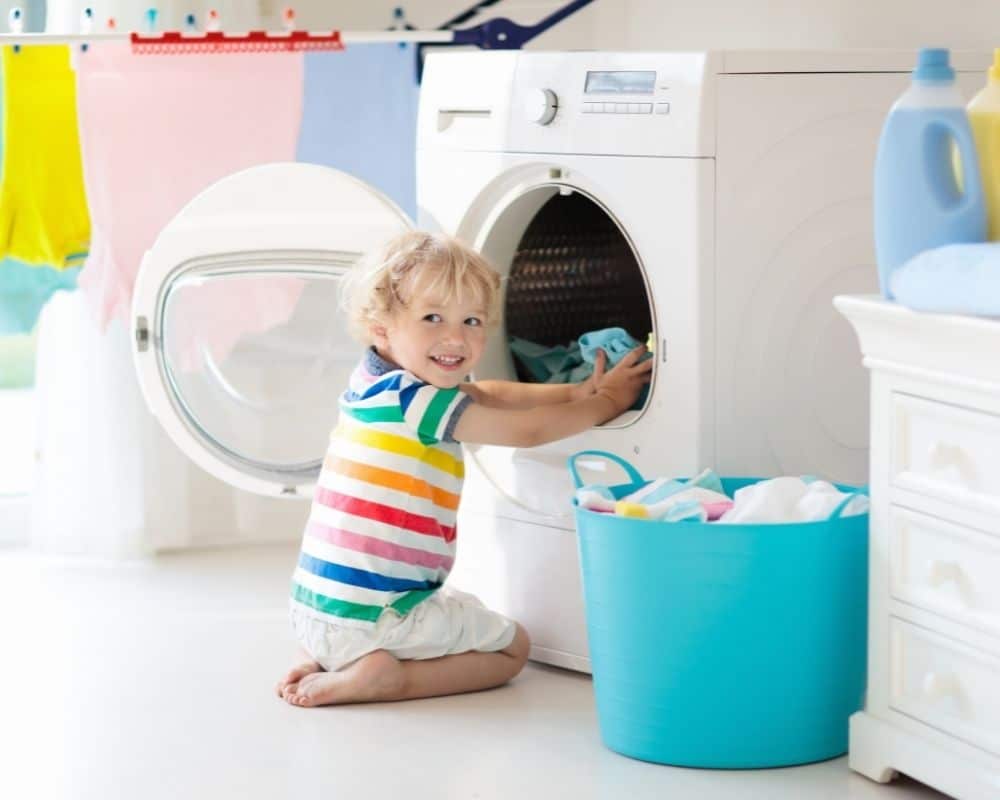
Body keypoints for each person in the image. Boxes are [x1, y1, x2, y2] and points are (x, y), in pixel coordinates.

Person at [276, 231, 652, 707]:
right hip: (380, 614)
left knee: (446, 617)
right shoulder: (419, 403)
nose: (455, 337)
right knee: (513, 648)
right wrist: (605, 402)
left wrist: (574, 393)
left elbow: (489, 393)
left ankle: (332, 659)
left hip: (313, 609)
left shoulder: (376, 384)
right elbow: (527, 432)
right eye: (432, 318)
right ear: (382, 327)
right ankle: (386, 678)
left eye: (472, 320)